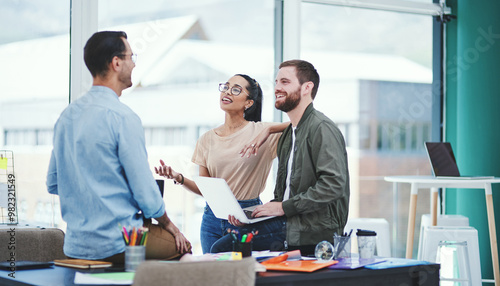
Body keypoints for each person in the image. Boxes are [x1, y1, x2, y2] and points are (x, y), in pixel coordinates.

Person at [46, 31, 191, 264]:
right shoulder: (123, 117)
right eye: (131, 57)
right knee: (182, 248)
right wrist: (171, 226)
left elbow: (53, 184)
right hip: (119, 243)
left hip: (75, 246)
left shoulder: (66, 116)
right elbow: (146, 194)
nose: (134, 64)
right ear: (116, 63)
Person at [221, 59, 350, 256]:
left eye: (285, 82)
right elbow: (285, 195)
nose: (277, 88)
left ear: (307, 88)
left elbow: (333, 185)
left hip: (311, 231)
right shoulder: (289, 134)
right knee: (227, 241)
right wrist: (260, 214)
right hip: (290, 222)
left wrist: (283, 207)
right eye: (276, 82)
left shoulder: (322, 129)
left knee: (223, 248)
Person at [155, 74, 288, 254]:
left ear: (249, 103)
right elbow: (205, 189)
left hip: (246, 215)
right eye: (225, 87)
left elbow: (302, 123)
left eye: (236, 89)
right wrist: (178, 178)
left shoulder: (262, 133)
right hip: (212, 218)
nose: (227, 92)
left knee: (238, 275)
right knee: (212, 276)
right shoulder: (207, 139)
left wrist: (270, 128)